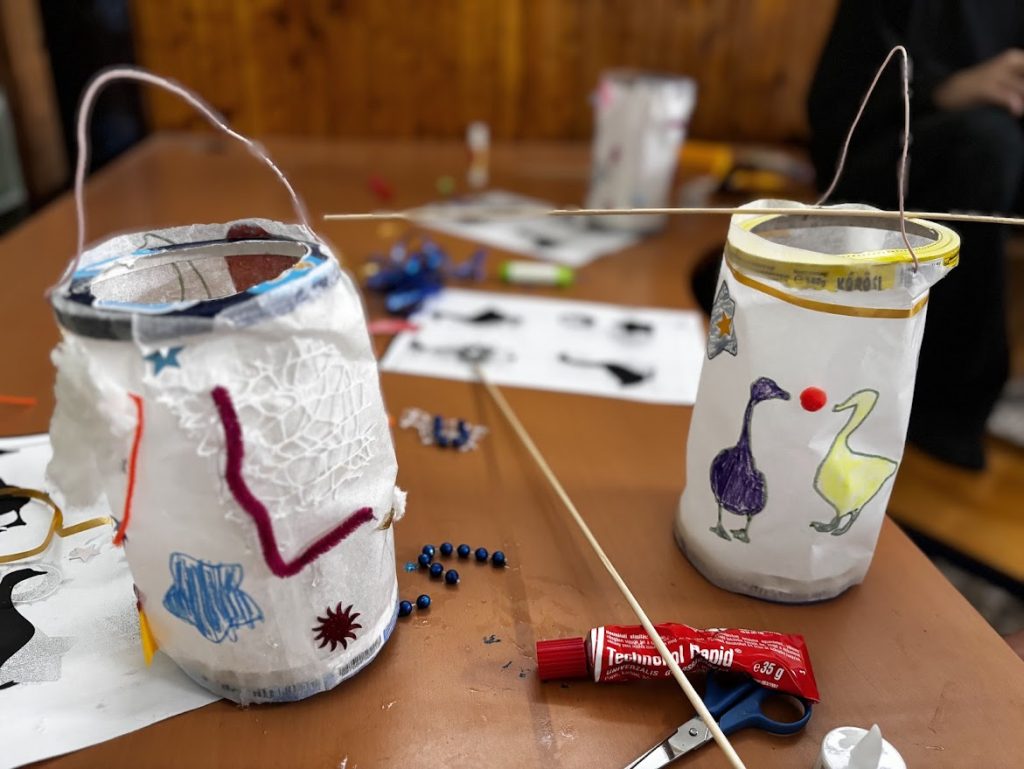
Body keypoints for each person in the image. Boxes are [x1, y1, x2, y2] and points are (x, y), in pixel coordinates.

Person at [808, 0, 1024, 470]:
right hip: (891, 156)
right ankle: (938, 412)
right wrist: (946, 89)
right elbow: (839, 104)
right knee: (987, 145)